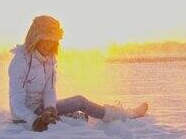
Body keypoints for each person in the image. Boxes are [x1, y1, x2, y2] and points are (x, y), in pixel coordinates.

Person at [9, 15, 148, 132]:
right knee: (80, 102)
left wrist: (50, 108)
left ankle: (124, 114)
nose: (49, 45)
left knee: (81, 117)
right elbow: (16, 101)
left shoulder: (49, 59)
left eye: (53, 41)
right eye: (46, 40)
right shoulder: (21, 61)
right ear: (35, 38)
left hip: (42, 111)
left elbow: (49, 90)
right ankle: (126, 115)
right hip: (27, 116)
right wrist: (34, 121)